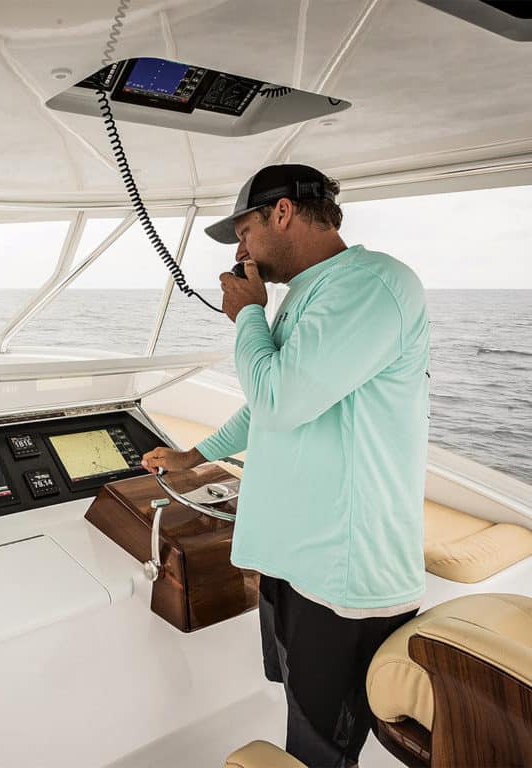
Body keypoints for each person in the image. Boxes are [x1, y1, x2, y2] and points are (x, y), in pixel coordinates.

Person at [141, 164, 430, 768]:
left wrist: (246, 313)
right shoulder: (312, 293)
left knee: (324, 746)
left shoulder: (370, 286)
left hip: (341, 579)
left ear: (281, 213)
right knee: (302, 711)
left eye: (244, 232)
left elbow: (280, 398)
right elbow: (268, 402)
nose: (241, 251)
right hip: (295, 562)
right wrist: (197, 456)